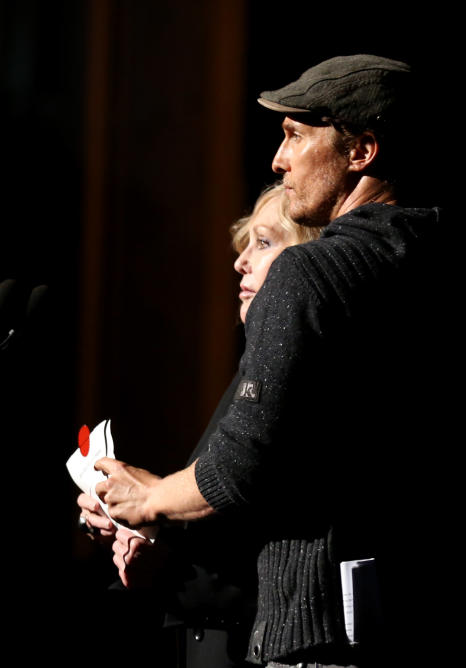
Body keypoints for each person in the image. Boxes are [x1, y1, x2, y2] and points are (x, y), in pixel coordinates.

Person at [92, 55, 449, 667]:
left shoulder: (308, 273)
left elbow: (239, 469)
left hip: (321, 637)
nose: (279, 161)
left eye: (295, 136)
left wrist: (140, 500)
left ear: (361, 151)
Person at [78, 182, 326, 668]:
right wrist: (140, 530)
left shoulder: (301, 374)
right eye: (246, 244)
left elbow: (274, 554)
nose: (240, 261)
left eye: (265, 242)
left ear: (311, 264)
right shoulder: (251, 371)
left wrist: (153, 514)